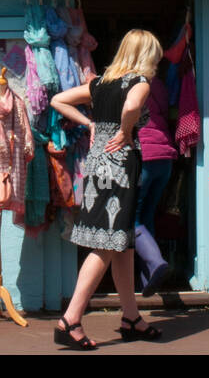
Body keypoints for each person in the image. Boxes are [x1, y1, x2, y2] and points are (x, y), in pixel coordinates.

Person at [50, 28, 163, 349]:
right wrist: (127, 130)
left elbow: (59, 100)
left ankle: (131, 317)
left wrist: (90, 124)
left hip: (98, 163)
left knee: (121, 243)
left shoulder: (100, 83)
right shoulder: (139, 82)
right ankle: (70, 319)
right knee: (104, 244)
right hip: (121, 166)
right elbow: (131, 108)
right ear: (145, 55)